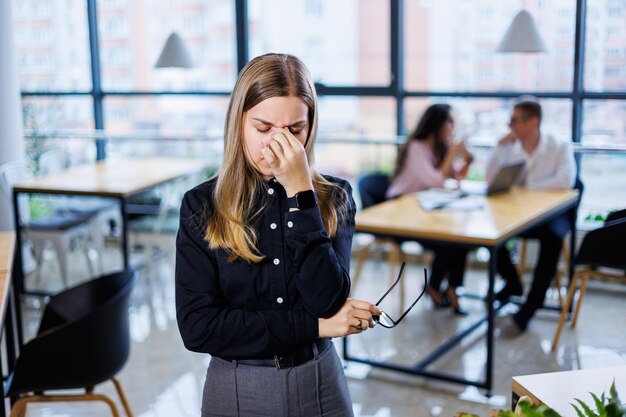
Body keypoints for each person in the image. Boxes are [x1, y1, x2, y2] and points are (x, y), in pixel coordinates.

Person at [175, 53, 381, 417]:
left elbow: (328, 301)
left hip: (320, 381)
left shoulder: (335, 198)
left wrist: (300, 191)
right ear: (239, 122)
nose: (278, 145)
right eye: (264, 128)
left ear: (310, 126)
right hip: (238, 384)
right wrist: (316, 327)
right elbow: (199, 328)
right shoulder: (201, 205)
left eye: (294, 130)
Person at [486, 99, 575, 334]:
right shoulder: (510, 147)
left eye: (515, 120)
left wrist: (526, 187)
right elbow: (490, 180)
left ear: (533, 121)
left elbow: (566, 180)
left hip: (554, 212)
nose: (510, 125)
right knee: (492, 230)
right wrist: (498, 146)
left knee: (553, 239)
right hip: (522, 213)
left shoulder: (559, 145)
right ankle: (513, 283)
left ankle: (531, 306)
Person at [386, 104, 474, 315]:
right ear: (438, 124)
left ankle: (451, 288)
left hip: (425, 209)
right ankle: (435, 287)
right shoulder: (417, 147)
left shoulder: (439, 147)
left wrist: (467, 159)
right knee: (449, 240)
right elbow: (436, 181)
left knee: (460, 238)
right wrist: (452, 152)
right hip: (401, 211)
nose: (452, 128)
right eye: (449, 123)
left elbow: (455, 177)